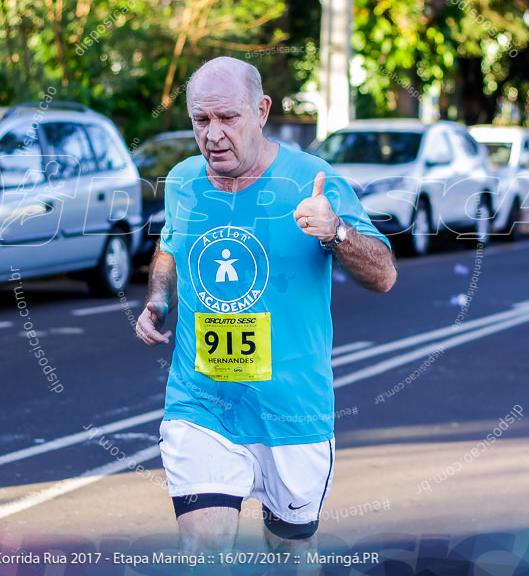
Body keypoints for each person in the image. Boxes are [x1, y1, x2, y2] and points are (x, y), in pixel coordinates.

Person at [135, 57, 397, 554]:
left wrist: (336, 231)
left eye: (227, 118)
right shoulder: (184, 180)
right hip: (202, 405)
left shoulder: (312, 181)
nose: (212, 134)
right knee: (205, 554)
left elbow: (384, 275)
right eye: (200, 120)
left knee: (289, 556)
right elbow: (170, 244)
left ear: (261, 111)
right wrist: (158, 299)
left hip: (292, 413)